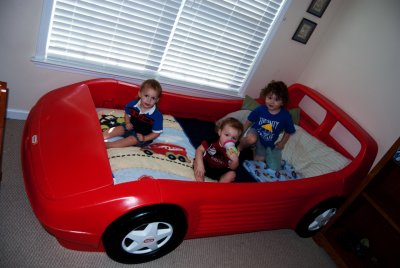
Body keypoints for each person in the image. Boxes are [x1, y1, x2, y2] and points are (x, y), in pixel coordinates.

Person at [238, 80, 295, 171]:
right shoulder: (261, 109)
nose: (272, 102)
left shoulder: (285, 116)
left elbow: (289, 131)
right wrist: (241, 133)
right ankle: (239, 148)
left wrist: (282, 143)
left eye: (276, 99)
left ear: (282, 102)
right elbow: (249, 121)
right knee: (251, 139)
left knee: (259, 161)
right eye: (270, 98)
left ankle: (254, 149)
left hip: (266, 141)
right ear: (265, 97)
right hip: (256, 132)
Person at [103, 79, 163, 149]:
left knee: (131, 140)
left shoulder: (157, 116)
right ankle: (98, 137)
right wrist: (128, 123)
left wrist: (144, 138)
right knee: (117, 129)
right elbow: (127, 114)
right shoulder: (133, 104)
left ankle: (109, 145)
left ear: (157, 100)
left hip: (142, 135)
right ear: (140, 94)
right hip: (130, 127)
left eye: (153, 98)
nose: (149, 100)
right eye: (146, 96)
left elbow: (156, 133)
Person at [194, 117, 243, 183]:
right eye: (227, 135)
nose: (229, 139)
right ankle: (201, 185)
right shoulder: (212, 141)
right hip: (206, 164)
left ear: (237, 140)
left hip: (220, 171)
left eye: (233, 138)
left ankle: (217, 190)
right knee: (197, 162)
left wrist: (235, 160)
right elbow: (199, 150)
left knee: (232, 174)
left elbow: (232, 167)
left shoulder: (234, 151)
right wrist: (200, 165)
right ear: (220, 132)